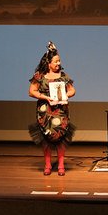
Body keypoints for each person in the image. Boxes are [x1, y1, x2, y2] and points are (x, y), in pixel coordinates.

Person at [28, 41, 76, 176]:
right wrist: (46, 97)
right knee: (46, 137)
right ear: (48, 62)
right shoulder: (40, 76)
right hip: (46, 111)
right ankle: (48, 164)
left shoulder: (63, 76)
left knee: (61, 137)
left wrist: (64, 95)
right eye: (55, 61)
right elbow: (32, 91)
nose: (58, 63)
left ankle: (61, 164)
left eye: (59, 61)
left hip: (60, 110)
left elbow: (73, 90)